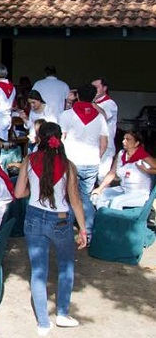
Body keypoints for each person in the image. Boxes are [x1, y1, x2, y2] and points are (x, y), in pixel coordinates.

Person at [14, 121, 88, 335]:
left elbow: (19, 193)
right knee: (66, 267)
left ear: (39, 138)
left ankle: (43, 322)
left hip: (34, 217)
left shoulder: (29, 160)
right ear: (59, 139)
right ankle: (63, 314)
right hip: (61, 220)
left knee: (38, 271)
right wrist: (82, 228)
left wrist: (33, 190)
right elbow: (75, 200)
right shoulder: (68, 165)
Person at [58, 84, 108, 238]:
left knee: (68, 196)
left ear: (78, 96)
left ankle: (67, 231)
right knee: (85, 198)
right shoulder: (100, 117)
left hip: (72, 161)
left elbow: (61, 139)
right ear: (94, 97)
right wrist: (96, 157)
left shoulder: (66, 115)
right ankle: (88, 232)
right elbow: (104, 143)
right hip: (91, 161)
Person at [92, 131, 156, 209]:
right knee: (100, 196)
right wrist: (100, 188)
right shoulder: (121, 154)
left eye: (128, 139)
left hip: (139, 194)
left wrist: (147, 170)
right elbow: (112, 173)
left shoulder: (142, 156)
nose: (123, 141)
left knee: (117, 201)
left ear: (136, 143)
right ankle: (103, 218)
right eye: (124, 139)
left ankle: (116, 220)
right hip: (123, 189)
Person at [92, 77, 119, 182]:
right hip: (93, 144)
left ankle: (102, 197)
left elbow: (104, 115)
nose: (93, 90)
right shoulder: (92, 102)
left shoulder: (110, 103)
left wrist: (92, 103)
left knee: (102, 176)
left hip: (106, 145)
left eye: (96, 87)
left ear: (104, 88)